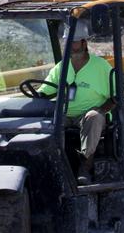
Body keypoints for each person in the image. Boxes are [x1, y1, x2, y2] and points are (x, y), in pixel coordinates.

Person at [40, 20, 114, 183]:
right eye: (67, 42)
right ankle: (52, 166)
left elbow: (115, 97)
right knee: (47, 121)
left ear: (83, 43)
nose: (69, 45)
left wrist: (101, 109)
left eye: (73, 42)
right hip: (65, 115)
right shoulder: (61, 67)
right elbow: (44, 92)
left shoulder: (101, 67)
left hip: (90, 115)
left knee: (92, 117)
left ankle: (85, 166)